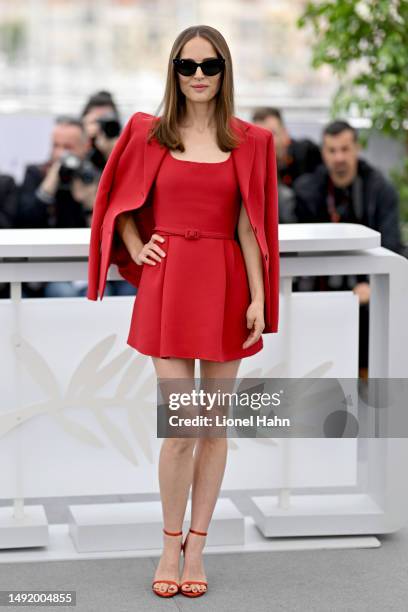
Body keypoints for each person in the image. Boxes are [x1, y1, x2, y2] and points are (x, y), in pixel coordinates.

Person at [86, 25, 279, 598]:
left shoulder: (251, 141)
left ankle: (198, 546)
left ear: (225, 72)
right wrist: (133, 238)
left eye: (210, 65)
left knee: (213, 429)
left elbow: (251, 226)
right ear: (173, 71)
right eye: (187, 65)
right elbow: (118, 197)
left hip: (225, 286)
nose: (198, 75)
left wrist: (260, 296)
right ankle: (168, 544)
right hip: (169, 286)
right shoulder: (148, 132)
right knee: (182, 428)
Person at [293, 119, 403, 376]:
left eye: (345, 149)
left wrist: (373, 286)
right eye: (332, 151)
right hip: (318, 291)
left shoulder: (380, 189)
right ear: (323, 153)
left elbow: (392, 244)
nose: (339, 157)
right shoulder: (308, 189)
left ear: (357, 148)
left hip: (365, 292)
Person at [252, 107, 322, 223]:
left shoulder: (307, 152)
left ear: (285, 133)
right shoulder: (255, 167)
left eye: (272, 134)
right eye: (259, 136)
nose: (266, 141)